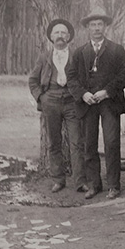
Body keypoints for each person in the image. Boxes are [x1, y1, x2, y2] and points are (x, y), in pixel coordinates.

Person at [68, 10, 125, 200]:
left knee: (111, 143)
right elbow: (71, 78)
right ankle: (94, 185)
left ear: (105, 27)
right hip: (88, 104)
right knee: (89, 145)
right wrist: (83, 94)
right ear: (87, 28)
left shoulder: (116, 50)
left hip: (109, 102)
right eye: (93, 25)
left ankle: (113, 185)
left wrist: (107, 92)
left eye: (100, 25)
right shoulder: (79, 52)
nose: (96, 28)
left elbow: (124, 76)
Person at [28, 19, 86, 193]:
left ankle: (80, 182)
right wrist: (41, 98)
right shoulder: (44, 57)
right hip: (50, 102)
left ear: (69, 37)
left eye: (63, 33)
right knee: (54, 142)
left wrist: (80, 96)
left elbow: (84, 79)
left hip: (71, 102)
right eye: (56, 33)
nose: (60, 36)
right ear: (51, 37)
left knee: (76, 142)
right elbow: (32, 80)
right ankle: (58, 180)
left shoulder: (77, 55)